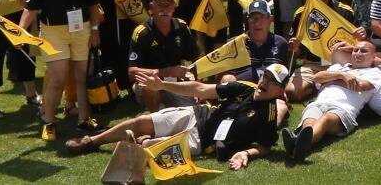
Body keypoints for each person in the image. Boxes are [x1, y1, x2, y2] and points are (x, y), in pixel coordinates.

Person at [65, 66, 291, 170]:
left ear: (280, 91)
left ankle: (140, 141)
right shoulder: (244, 87)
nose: (265, 82)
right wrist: (163, 84)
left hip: (202, 142)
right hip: (197, 115)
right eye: (265, 76)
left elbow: (265, 147)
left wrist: (245, 153)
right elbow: (201, 89)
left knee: (149, 151)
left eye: (272, 82)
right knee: (142, 121)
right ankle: (91, 141)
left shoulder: (269, 114)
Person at [20, 0, 102, 142]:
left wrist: (94, 30)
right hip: (53, 32)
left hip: (81, 29)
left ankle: (84, 118)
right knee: (57, 79)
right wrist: (20, 31)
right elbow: (31, 8)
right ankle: (49, 121)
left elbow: (93, 4)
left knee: (81, 77)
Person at [126, 0, 198, 111]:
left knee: (191, 110)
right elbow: (132, 72)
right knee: (149, 85)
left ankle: (166, 106)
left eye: (169, 4)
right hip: (150, 83)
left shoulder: (181, 26)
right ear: (151, 7)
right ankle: (155, 116)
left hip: (175, 82)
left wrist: (194, 78)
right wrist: (166, 71)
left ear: (174, 7)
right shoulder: (141, 32)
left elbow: (195, 57)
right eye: (160, 4)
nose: (164, 9)